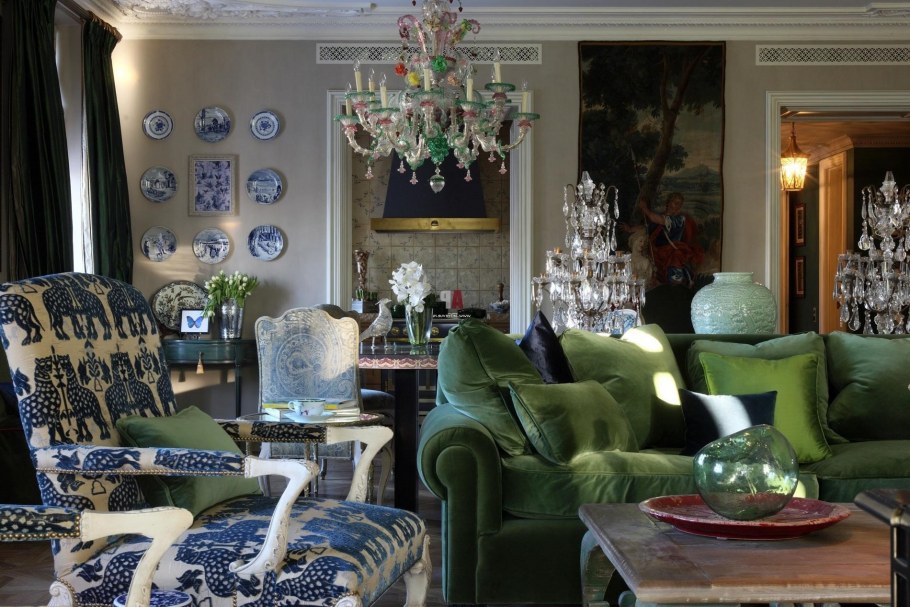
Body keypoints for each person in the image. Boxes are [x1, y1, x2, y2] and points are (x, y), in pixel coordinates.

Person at [639, 192, 704, 288]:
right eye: (675, 203)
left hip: (671, 252)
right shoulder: (661, 217)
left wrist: (644, 208)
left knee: (675, 271)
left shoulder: (679, 219)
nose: (678, 206)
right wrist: (630, 229)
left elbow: (656, 219)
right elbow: (647, 228)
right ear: (668, 202)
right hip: (658, 252)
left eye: (679, 204)